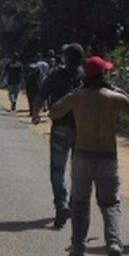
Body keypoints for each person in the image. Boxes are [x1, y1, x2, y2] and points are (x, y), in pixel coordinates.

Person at [50, 55, 129, 256]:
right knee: (110, 204)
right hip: (107, 157)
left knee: (80, 202)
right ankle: (113, 245)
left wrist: (73, 95)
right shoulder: (114, 97)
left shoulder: (77, 96)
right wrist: (121, 92)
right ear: (104, 75)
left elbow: (54, 112)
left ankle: (77, 248)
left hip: (82, 154)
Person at [32, 44, 85, 229]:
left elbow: (41, 94)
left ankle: (61, 204)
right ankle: (74, 207)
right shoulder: (86, 76)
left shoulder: (56, 74)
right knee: (78, 172)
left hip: (61, 126)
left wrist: (35, 112)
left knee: (57, 170)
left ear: (66, 58)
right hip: (83, 129)